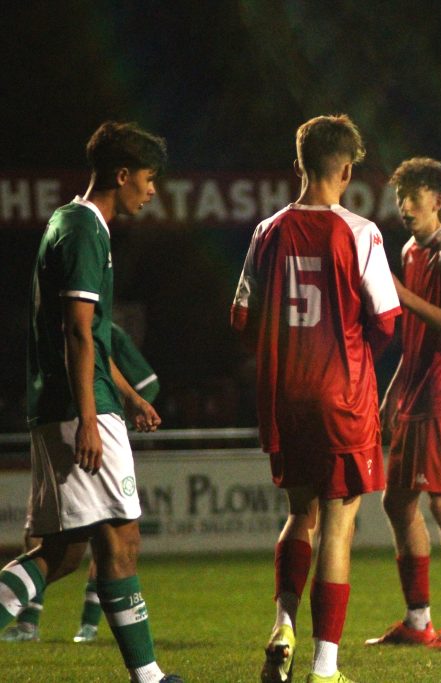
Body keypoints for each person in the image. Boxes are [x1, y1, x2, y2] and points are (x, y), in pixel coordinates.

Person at [0, 121, 182, 683]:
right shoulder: (84, 231)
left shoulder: (72, 223)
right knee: (120, 537)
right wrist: (89, 418)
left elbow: (92, 339)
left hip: (77, 402)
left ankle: (147, 676)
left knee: (67, 552)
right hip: (78, 408)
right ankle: (148, 677)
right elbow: (78, 333)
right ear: (122, 174)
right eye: (148, 179)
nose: (151, 191)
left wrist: (128, 396)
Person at [231, 114, 401, 683]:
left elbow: (242, 317)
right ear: (347, 170)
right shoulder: (360, 232)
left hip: (285, 395)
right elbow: (387, 320)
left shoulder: (267, 231)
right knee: (338, 522)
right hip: (342, 397)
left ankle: (283, 623)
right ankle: (325, 666)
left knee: (296, 514)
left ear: (300, 163)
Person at [365, 157, 441, 649]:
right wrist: (393, 391)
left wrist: (404, 297)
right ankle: (417, 622)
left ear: (436, 200)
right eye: (399, 198)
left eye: (412, 197)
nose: (403, 207)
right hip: (415, 393)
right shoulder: (410, 249)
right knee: (397, 501)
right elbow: (413, 338)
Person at [2, 323, 160, 645]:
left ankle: (85, 626)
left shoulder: (81, 323)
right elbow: (81, 340)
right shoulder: (84, 314)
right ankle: (38, 624)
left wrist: (129, 405)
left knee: (80, 542)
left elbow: (148, 384)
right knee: (102, 537)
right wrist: (97, 416)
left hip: (76, 422)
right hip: (85, 422)